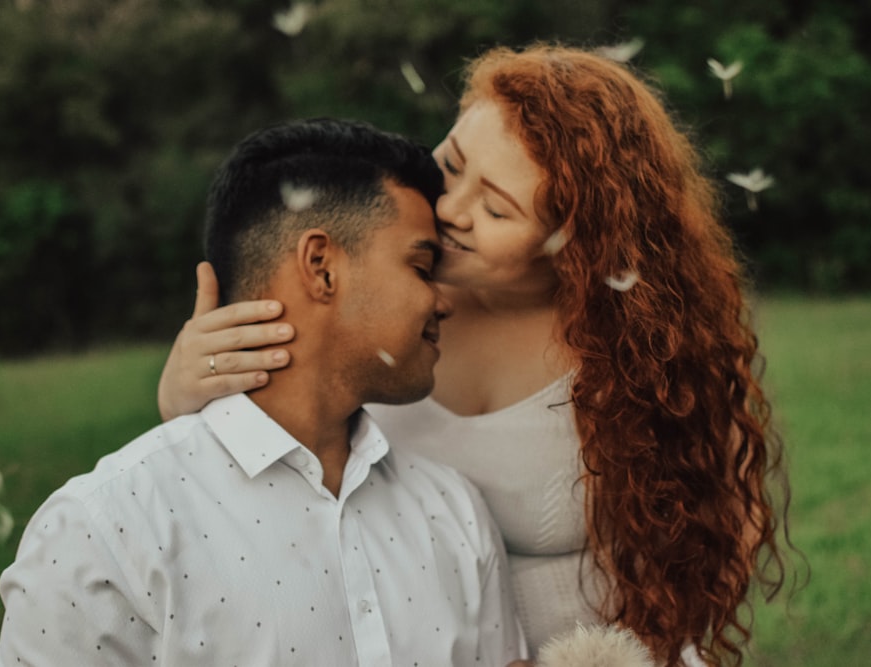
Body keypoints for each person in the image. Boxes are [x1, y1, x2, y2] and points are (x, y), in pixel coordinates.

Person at [156, 44, 792, 666]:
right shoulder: (373, 301)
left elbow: (715, 532)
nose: (449, 209)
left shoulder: (640, 351)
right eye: (453, 164)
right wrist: (187, 401)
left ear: (577, 246)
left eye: (495, 207)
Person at [0, 118, 528, 666]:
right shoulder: (102, 533)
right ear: (321, 267)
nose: (444, 302)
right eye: (420, 266)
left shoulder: (453, 511)